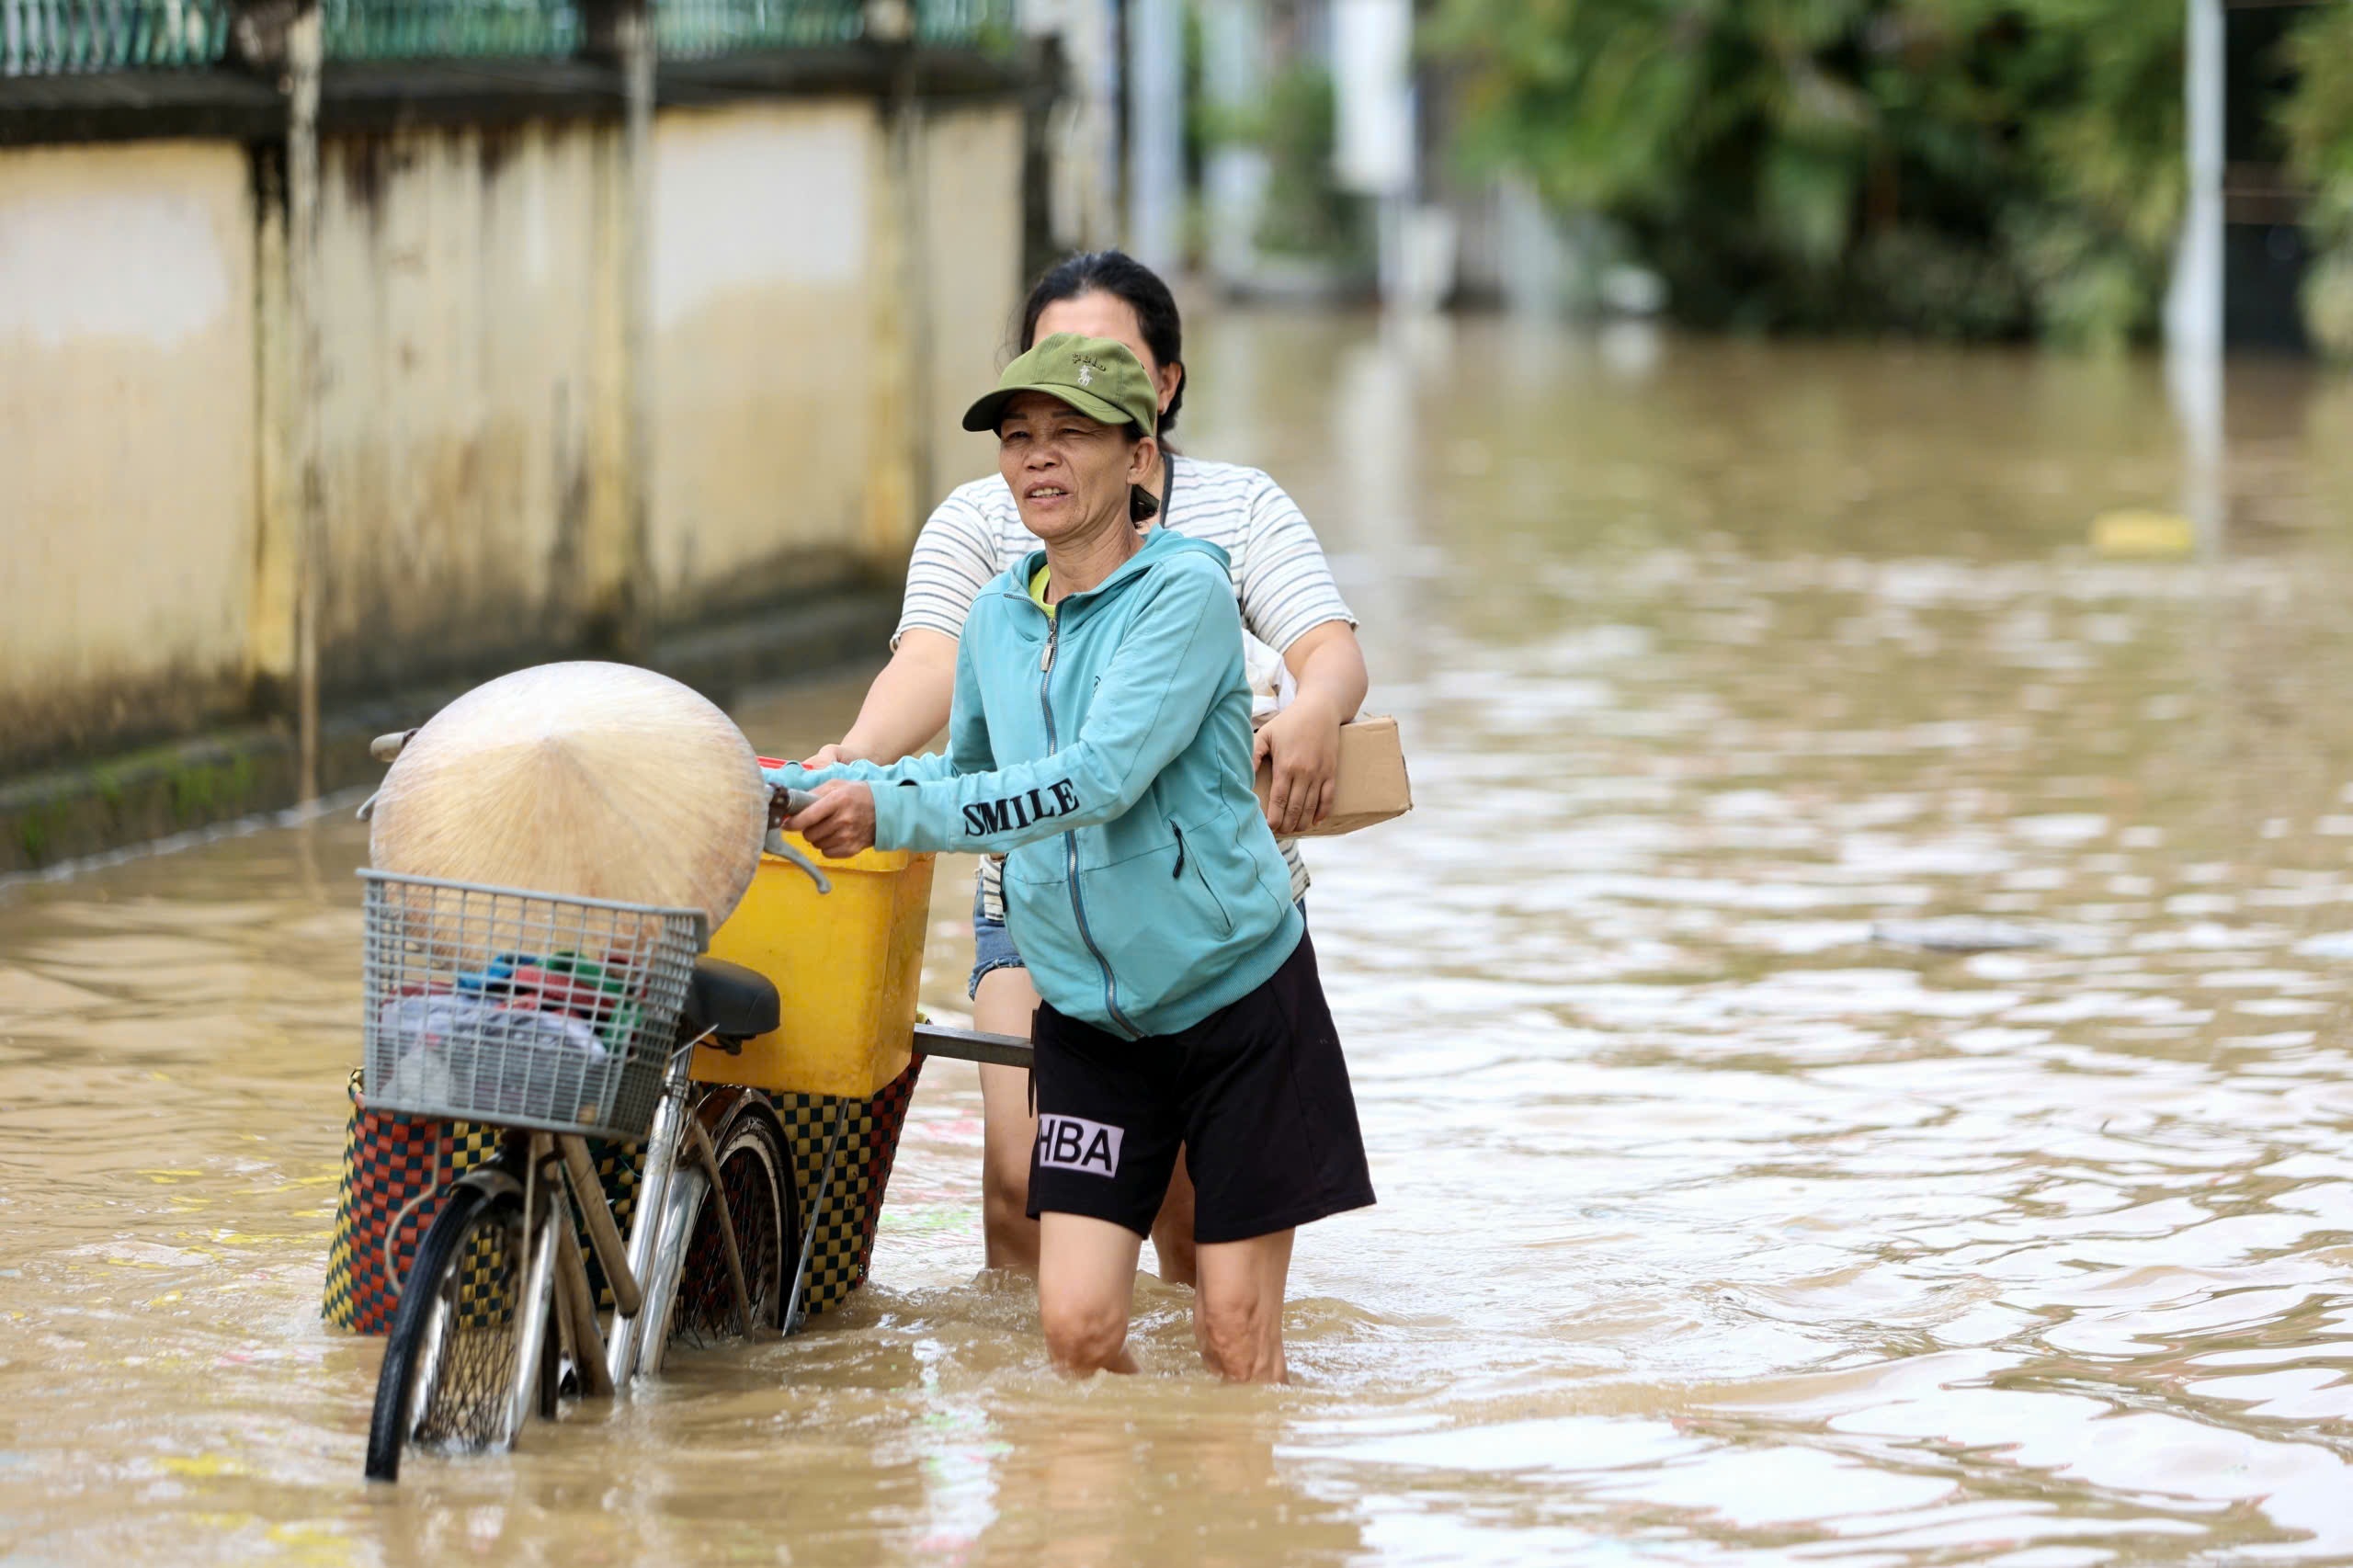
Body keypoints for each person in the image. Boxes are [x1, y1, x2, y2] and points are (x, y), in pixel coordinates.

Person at [771, 335, 1374, 1381]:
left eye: (1068, 435)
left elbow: (1094, 780)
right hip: (1092, 1021)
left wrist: (887, 813)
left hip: (1237, 1004)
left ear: (1139, 457)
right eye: (1017, 438)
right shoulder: (998, 614)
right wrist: (836, 785)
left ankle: (1242, 1519)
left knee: (1232, 1333)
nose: (1035, 459)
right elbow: (964, 773)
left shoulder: (1185, 593)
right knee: (1078, 1333)